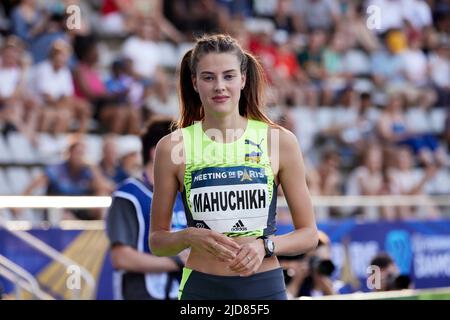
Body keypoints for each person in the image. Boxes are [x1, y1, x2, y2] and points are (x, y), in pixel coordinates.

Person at [149, 34, 318, 300]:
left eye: (228, 76)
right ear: (194, 82)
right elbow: (157, 242)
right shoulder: (171, 148)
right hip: (201, 289)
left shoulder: (279, 141)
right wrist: (189, 237)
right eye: (208, 77)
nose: (219, 86)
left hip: (263, 288)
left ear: (243, 79)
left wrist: (266, 245)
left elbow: (309, 235)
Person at [106, 118, 187, 300]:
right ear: (156, 153)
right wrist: (176, 261)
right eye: (182, 151)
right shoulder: (128, 195)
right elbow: (121, 258)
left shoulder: (186, 194)